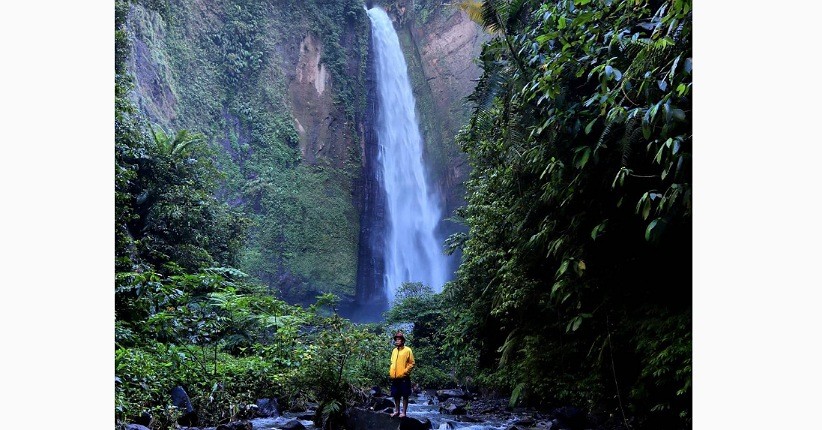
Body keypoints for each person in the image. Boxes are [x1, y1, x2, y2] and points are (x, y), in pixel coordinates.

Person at [388, 330, 414, 418]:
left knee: (405, 395)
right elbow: (392, 362)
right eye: (396, 339)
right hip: (395, 377)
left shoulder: (408, 350)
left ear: (402, 341)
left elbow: (412, 363)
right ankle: (397, 411)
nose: (397, 341)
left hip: (404, 377)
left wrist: (405, 372)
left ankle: (404, 413)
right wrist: (391, 371)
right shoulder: (394, 351)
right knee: (396, 395)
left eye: (399, 339)